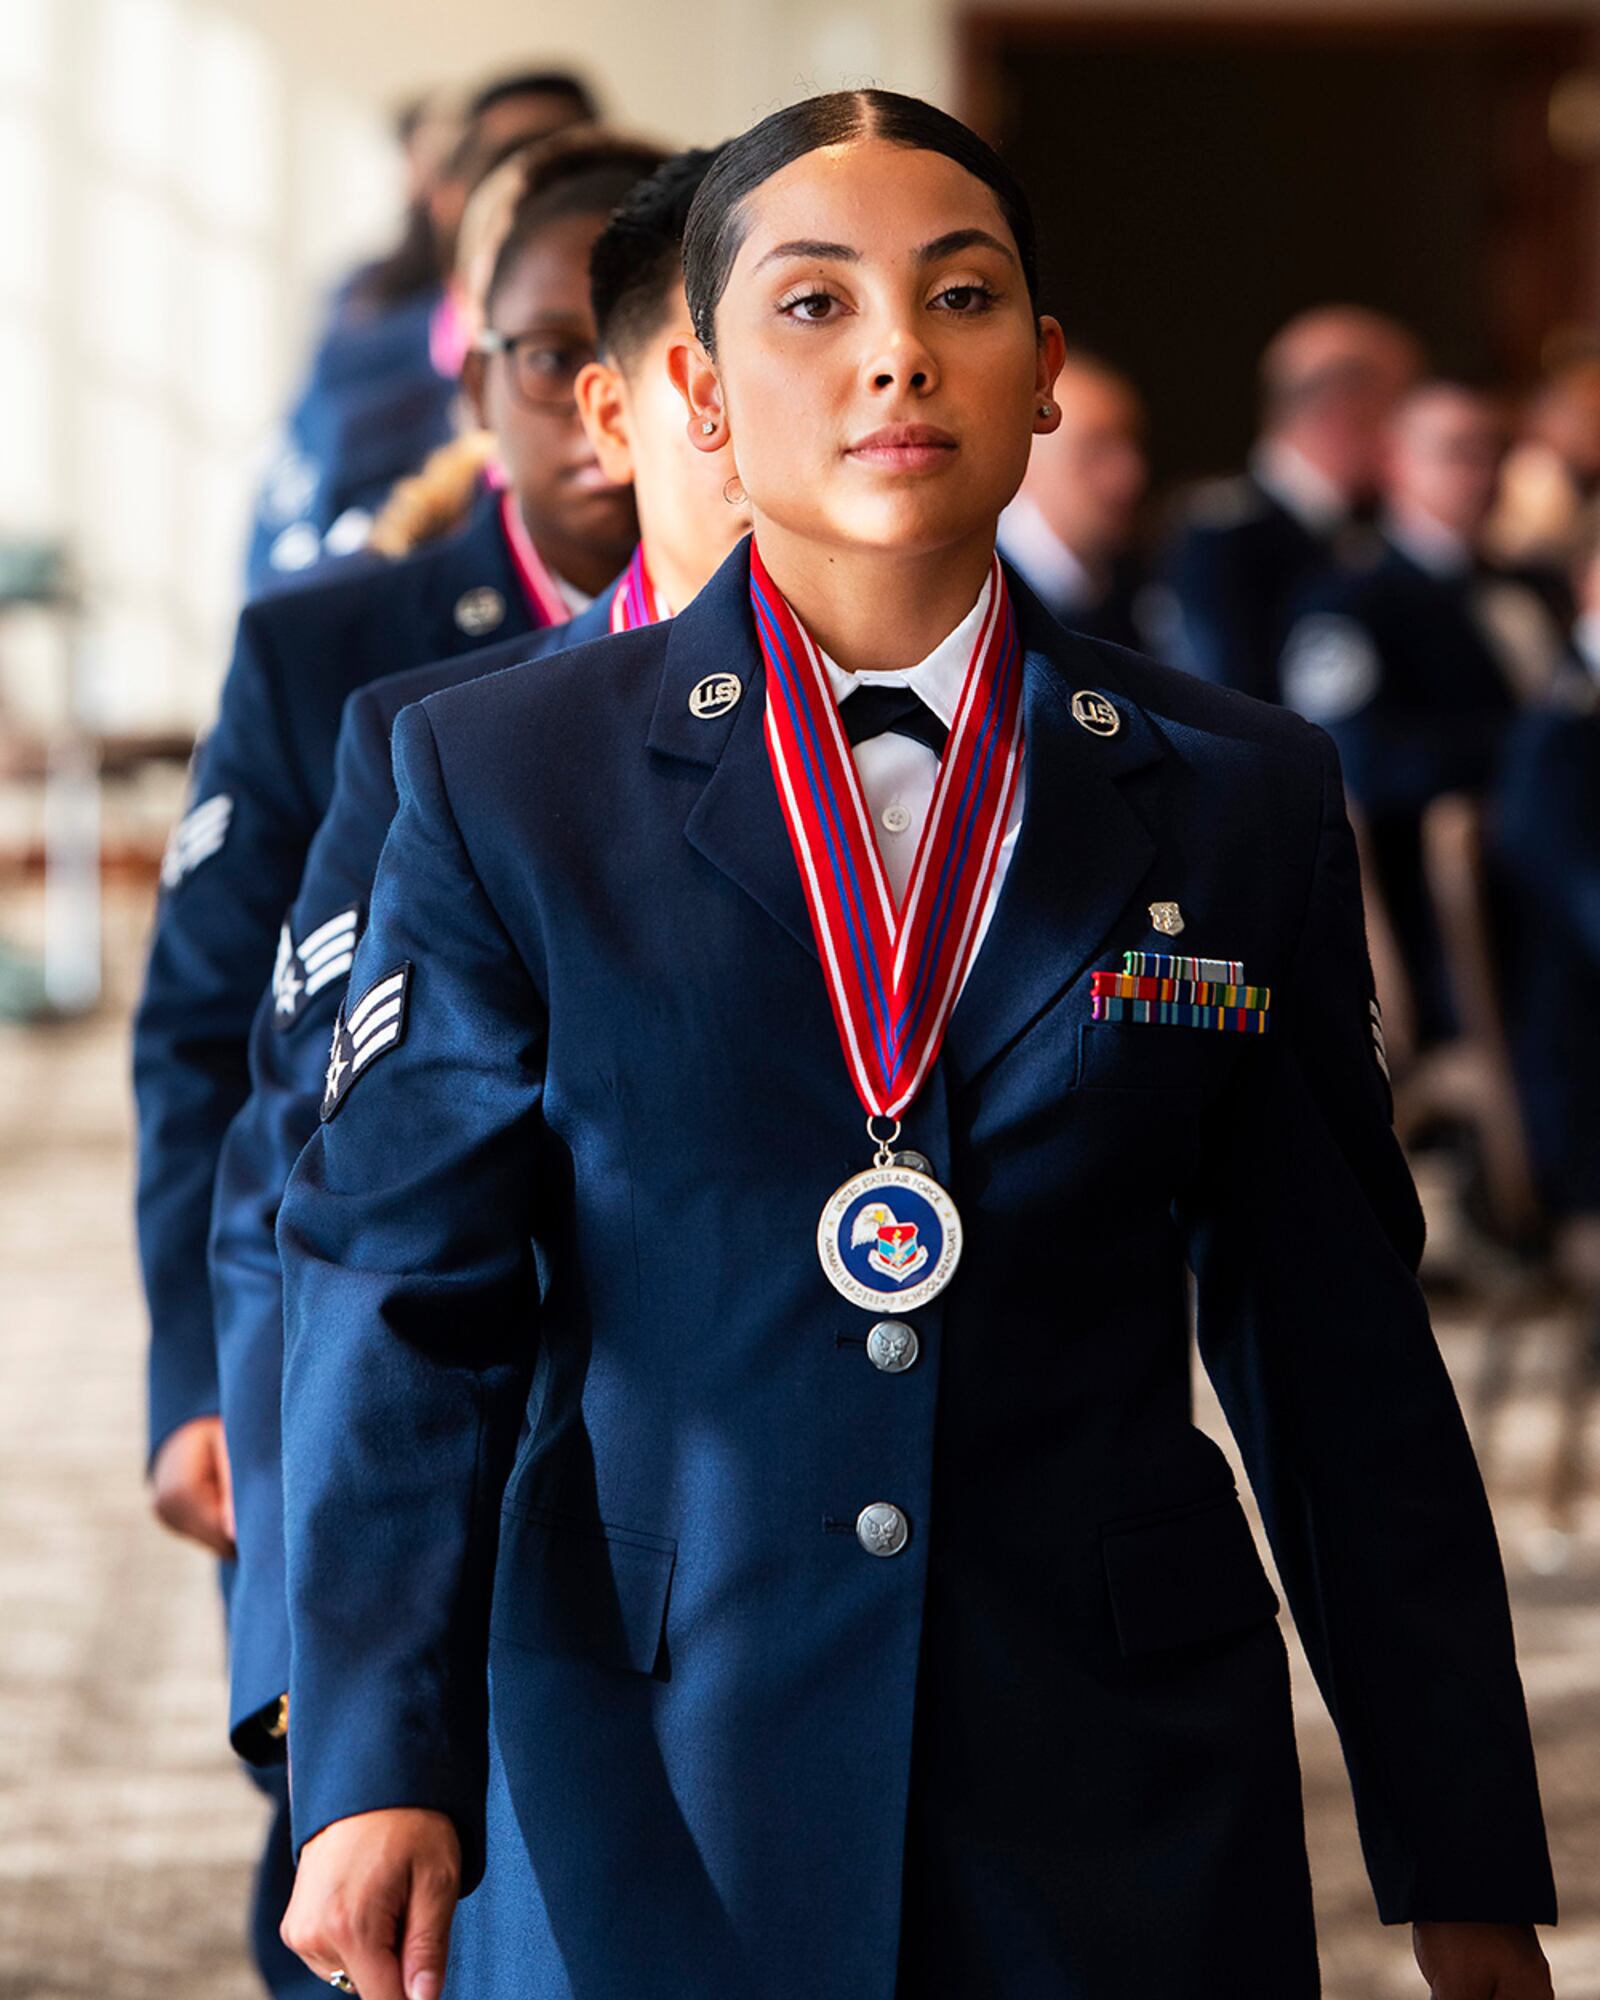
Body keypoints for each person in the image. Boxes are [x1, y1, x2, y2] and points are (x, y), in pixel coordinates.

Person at [275, 92, 1554, 2000]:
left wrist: (1460, 1856)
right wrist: (374, 1759)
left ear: (1039, 376)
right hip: (654, 1771)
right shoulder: (504, 779)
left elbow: (1339, 1348)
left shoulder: (1229, 797)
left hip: (1109, 1785)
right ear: (697, 393)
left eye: (960, 297)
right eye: (813, 304)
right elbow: (403, 1292)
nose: (894, 351)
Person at [132, 127, 659, 1999]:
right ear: (482, 365)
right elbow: (233, 1056)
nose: (598, 411)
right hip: (364, 1369)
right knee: (371, 1867)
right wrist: (202, 1377)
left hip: (640, 1444)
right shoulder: (343, 666)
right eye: (546, 353)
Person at [209, 144, 743, 1767]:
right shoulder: (428, 732)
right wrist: (320, 1668)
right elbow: (322, 1192)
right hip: (531, 1561)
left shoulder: (1078, 740)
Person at [1279, 381, 1566, 1056]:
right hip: (1460, 905)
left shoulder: (1532, 586)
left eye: (1495, 451)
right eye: (1458, 452)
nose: (1484, 471)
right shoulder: (1350, 600)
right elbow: (1358, 757)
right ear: (1395, 464)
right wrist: (1539, 752)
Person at [245, 70, 600, 590]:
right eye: (512, 163)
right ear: (453, 200)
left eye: (581, 166)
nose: (552, 198)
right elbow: (284, 586)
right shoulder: (362, 385)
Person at [1157, 305, 1421, 700]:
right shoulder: (1229, 540)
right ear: (1346, 412)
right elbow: (1227, 701)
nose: (1412, 435)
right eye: (1405, 411)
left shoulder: (1364, 530)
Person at [997, 352, 1149, 648]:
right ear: (1022, 458)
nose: (1130, 475)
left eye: (1133, 443)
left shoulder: (1135, 588)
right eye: (1095, 450)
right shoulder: (977, 597)